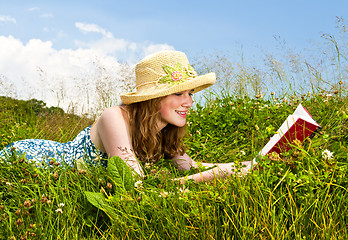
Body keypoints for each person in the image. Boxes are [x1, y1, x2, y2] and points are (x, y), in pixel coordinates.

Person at [0, 51, 251, 183]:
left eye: (190, 93)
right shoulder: (114, 117)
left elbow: (191, 168)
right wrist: (195, 182)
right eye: (178, 93)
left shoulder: (164, 130)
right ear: (154, 98)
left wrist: (250, 165)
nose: (189, 102)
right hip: (34, 160)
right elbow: (132, 181)